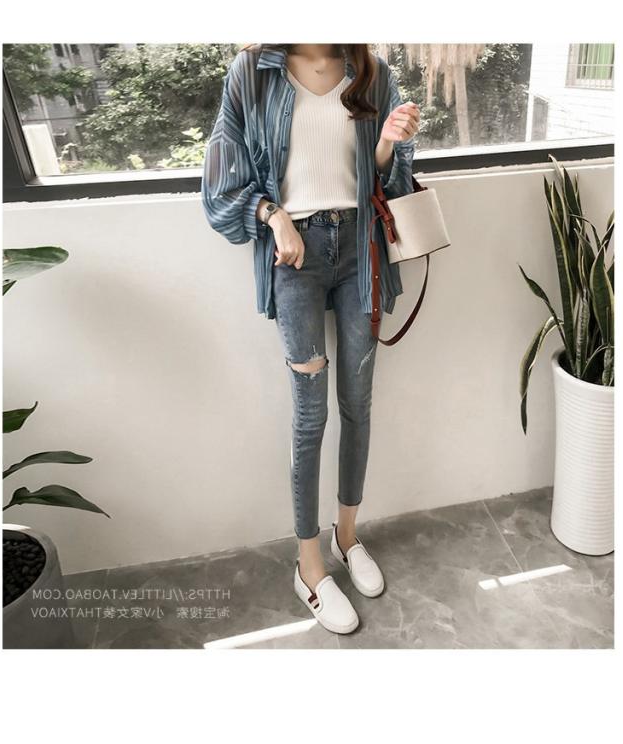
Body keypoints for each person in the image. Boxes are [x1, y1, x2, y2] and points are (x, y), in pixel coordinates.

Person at [202, 43, 419, 634]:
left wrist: (388, 142)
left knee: (357, 404)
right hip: (293, 256)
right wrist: (274, 216)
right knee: (309, 416)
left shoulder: (372, 71)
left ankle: (347, 538)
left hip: (362, 251)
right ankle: (309, 565)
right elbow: (220, 182)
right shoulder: (253, 72)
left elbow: (388, 179)